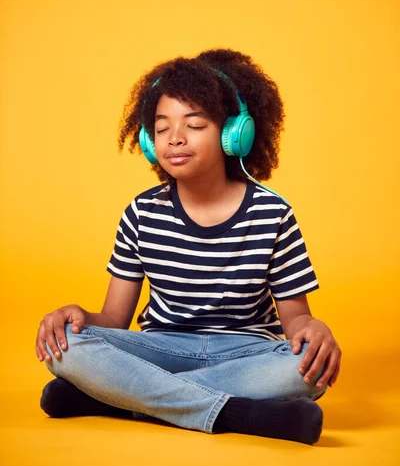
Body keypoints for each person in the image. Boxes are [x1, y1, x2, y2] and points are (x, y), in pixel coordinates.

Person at [37, 48, 341, 445]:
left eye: (194, 124)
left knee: (306, 367)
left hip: (247, 353)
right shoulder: (142, 212)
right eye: (161, 129)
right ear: (149, 141)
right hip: (161, 346)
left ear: (235, 133)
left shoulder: (273, 212)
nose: (175, 138)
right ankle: (237, 413)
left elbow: (296, 322)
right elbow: (113, 319)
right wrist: (77, 316)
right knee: (67, 350)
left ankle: (121, 399)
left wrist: (314, 330)